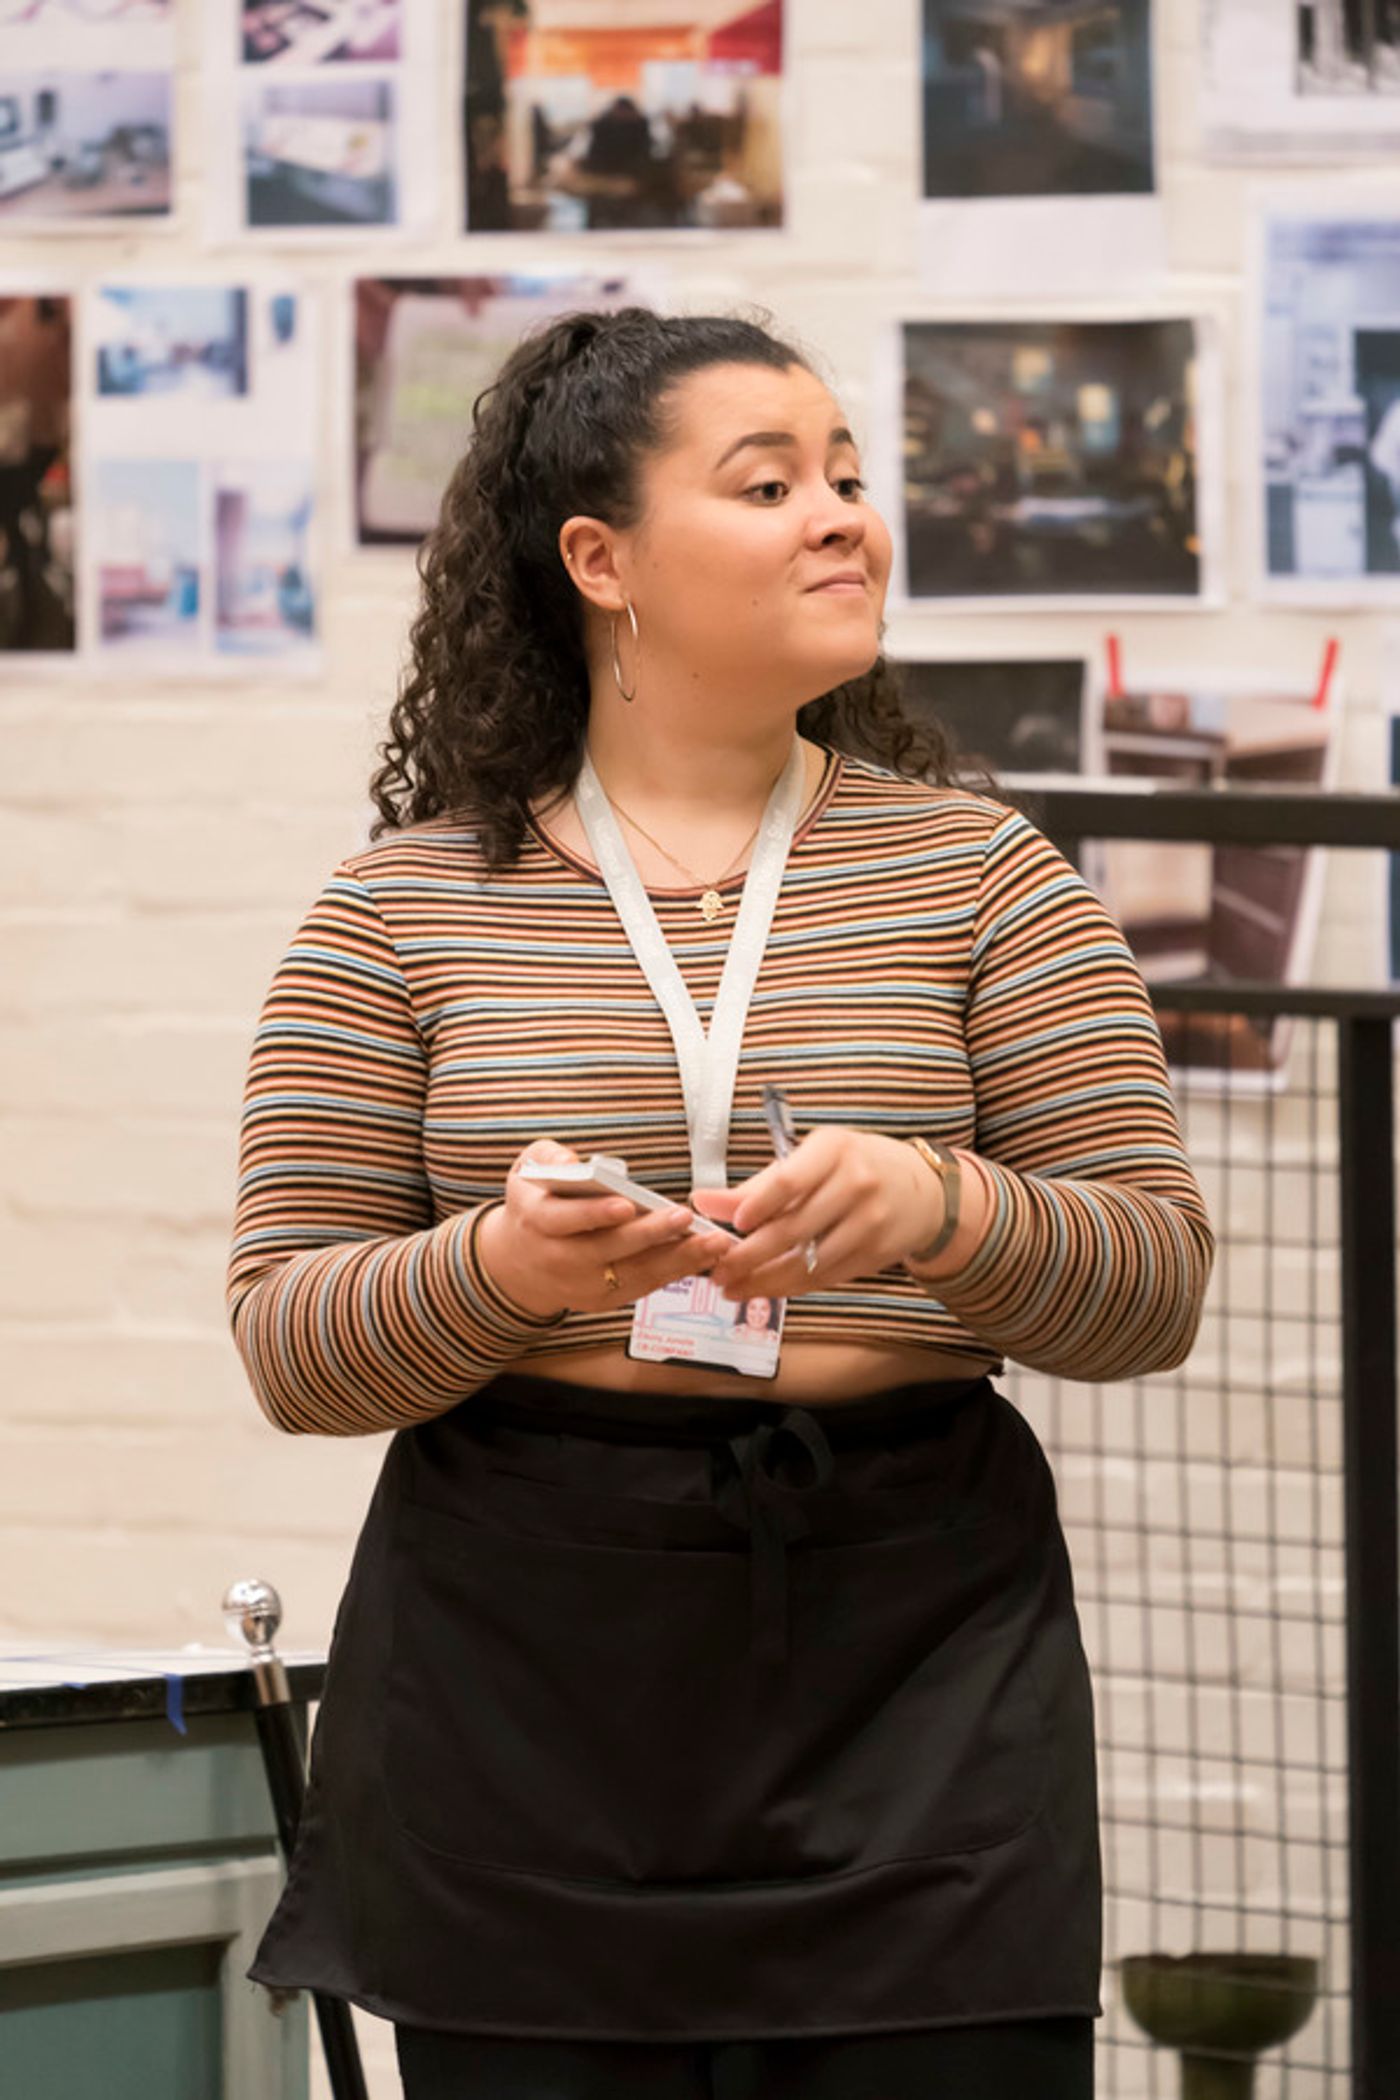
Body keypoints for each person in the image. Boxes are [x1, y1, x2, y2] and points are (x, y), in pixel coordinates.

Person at [227, 307, 1214, 2099]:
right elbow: (294, 1342)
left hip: (920, 1646)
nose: (844, 515)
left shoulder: (984, 875)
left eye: (847, 475)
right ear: (600, 561)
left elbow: (1151, 1287)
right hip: (523, 1660)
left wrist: (938, 1206)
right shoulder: (399, 911)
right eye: (770, 484)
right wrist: (504, 1267)